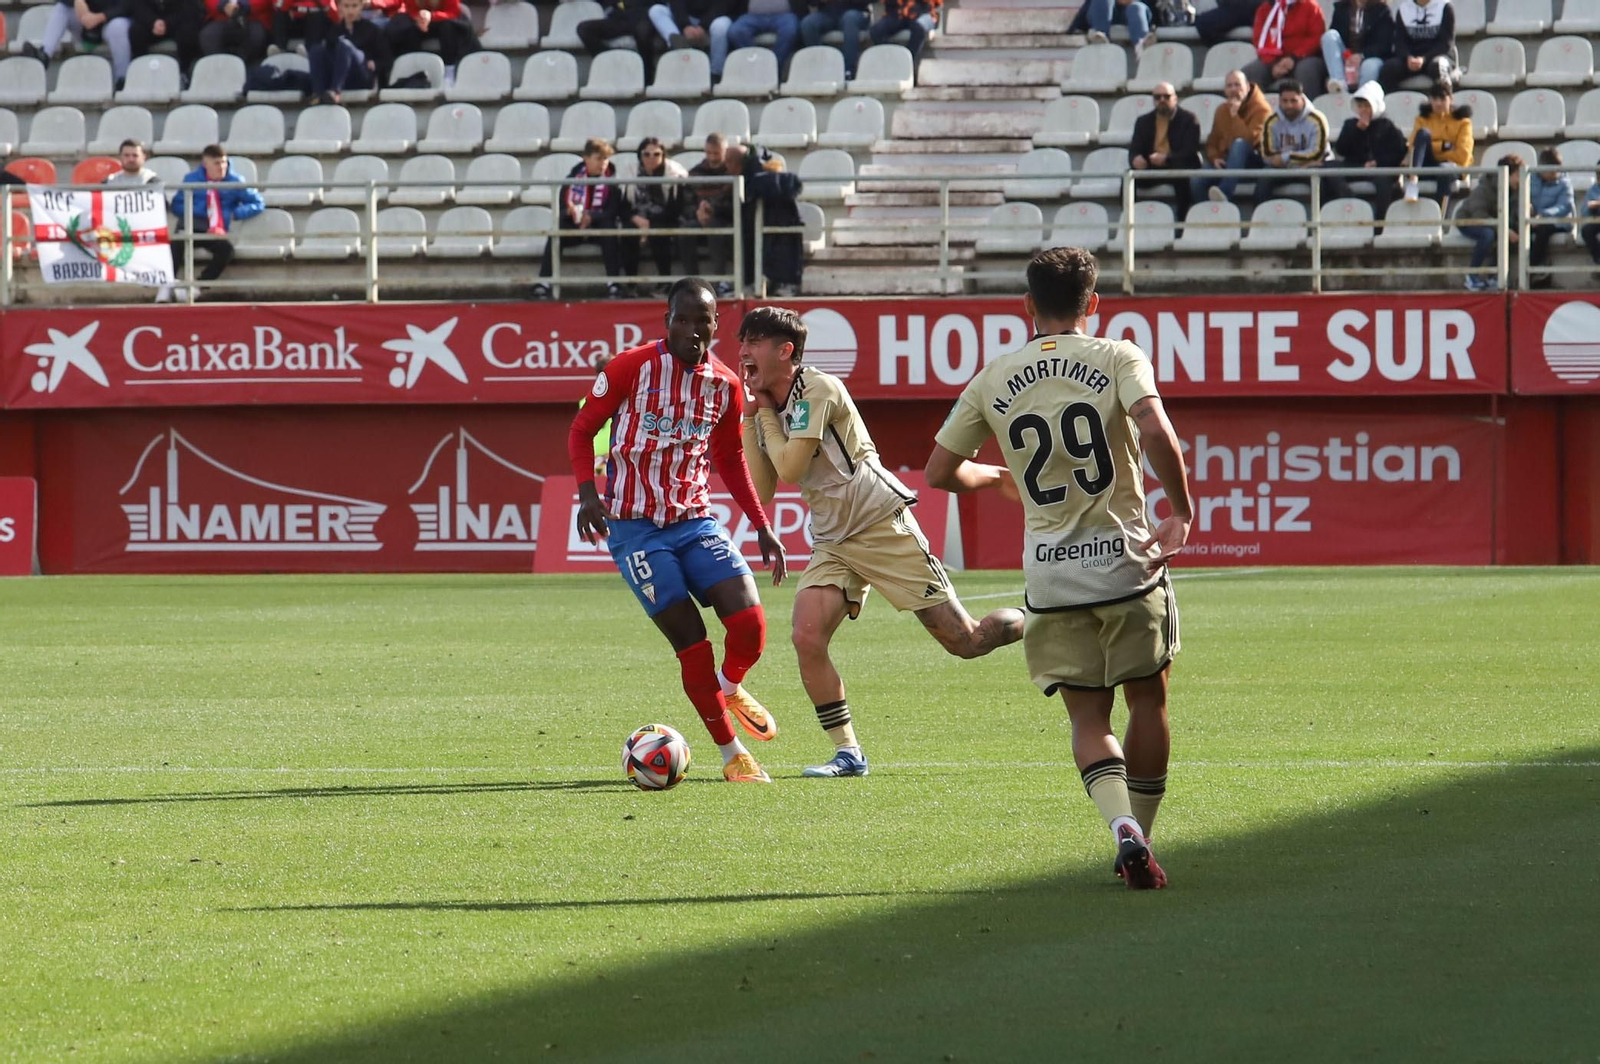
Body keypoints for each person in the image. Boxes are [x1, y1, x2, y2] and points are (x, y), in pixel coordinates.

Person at [925, 246, 1193, 891]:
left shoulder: (995, 377)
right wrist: (1180, 508)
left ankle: (1119, 825)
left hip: (1051, 577)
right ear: (1093, 304)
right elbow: (1155, 429)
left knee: (1087, 721)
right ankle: (1145, 835)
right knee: (1149, 700)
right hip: (1127, 566)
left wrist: (992, 474)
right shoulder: (1117, 355)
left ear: (1027, 308)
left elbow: (938, 472)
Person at [739, 306, 1024, 779]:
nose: (743, 351)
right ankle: (849, 754)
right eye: (741, 341)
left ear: (784, 350)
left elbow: (790, 469)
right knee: (807, 637)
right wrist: (752, 419)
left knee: (967, 642)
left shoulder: (816, 389)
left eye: (753, 342)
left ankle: (1041, 619)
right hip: (833, 537)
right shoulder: (770, 402)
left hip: (878, 523)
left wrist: (764, 414)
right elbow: (764, 488)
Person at [567, 278, 787, 784]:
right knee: (690, 638)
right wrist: (587, 493)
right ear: (667, 320)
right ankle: (733, 754)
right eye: (681, 319)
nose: (691, 329)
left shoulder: (726, 385)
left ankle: (729, 687)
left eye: (701, 320)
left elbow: (730, 459)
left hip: (694, 520)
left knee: (751, 624)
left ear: (716, 325)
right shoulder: (631, 367)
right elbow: (582, 429)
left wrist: (762, 524)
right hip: (635, 528)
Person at [166, 143, 264, 302]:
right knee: (175, 245)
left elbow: (258, 202)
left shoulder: (235, 181)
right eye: (217, 163)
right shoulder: (191, 179)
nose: (221, 167)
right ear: (206, 164)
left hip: (217, 229)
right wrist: (198, 213)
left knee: (226, 252)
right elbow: (177, 205)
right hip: (194, 225)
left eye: (224, 162)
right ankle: (168, 286)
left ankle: (197, 287)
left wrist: (236, 213)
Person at [532, 138, 628, 300]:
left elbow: (612, 211)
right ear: (586, 158)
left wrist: (592, 217)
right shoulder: (571, 180)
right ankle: (544, 282)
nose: (603, 163)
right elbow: (562, 208)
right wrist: (571, 212)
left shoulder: (613, 183)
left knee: (609, 227)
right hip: (575, 227)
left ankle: (614, 284)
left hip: (599, 228)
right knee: (557, 228)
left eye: (605, 159)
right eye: (599, 158)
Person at [724, 143, 804, 295]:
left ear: (734, 163)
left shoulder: (757, 180)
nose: (726, 166)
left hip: (775, 230)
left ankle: (772, 283)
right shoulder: (745, 180)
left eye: (728, 162)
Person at [1324, 80, 1406, 220]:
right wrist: (1357, 130)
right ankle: (1349, 200)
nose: (1363, 110)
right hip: (1355, 167)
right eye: (1360, 106)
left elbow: (1398, 151)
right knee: (1327, 167)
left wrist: (1377, 162)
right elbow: (1341, 149)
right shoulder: (1350, 124)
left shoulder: (1387, 126)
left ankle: (1380, 222)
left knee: (1384, 181)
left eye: (1367, 106)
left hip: (1379, 169)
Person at [1192, 69, 1270, 205]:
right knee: (1197, 179)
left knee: (1239, 144)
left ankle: (1225, 192)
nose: (1234, 89)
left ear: (1247, 86)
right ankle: (1207, 217)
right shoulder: (1222, 109)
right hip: (1226, 161)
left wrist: (1235, 116)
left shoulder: (1262, 109)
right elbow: (1212, 141)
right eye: (1229, 86)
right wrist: (1215, 157)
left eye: (1237, 85)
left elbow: (1250, 140)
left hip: (1253, 160)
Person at [1129, 81, 1202, 219]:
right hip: (1152, 167)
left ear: (1175, 98)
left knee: (1183, 180)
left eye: (1166, 96)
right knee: (1128, 178)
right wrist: (1135, 159)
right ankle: (1128, 221)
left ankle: (1181, 227)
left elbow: (1190, 151)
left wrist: (1167, 158)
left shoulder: (1189, 119)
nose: (1162, 100)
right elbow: (1134, 149)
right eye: (1157, 97)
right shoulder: (1143, 121)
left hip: (1178, 167)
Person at [1250, 79, 1330, 205]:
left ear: (1302, 99)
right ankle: (1261, 222)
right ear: (1279, 101)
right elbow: (1268, 154)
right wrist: (1300, 160)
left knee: (1322, 184)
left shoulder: (1317, 119)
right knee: (1263, 180)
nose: (1289, 105)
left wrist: (1285, 157)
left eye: (1293, 101)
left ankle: (1321, 222)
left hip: (1310, 168)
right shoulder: (1271, 121)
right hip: (1284, 168)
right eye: (1285, 101)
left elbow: (1317, 154)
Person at [624, 136, 687, 289]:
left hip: (665, 216)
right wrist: (636, 218)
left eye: (656, 154)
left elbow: (675, 208)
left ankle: (664, 282)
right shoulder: (630, 173)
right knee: (628, 233)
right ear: (640, 155)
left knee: (658, 232)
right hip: (637, 217)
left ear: (663, 155)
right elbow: (623, 205)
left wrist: (649, 223)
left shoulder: (674, 174)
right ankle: (630, 285)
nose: (651, 158)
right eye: (647, 154)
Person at [24, 0, 135, 84]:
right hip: (85, 20)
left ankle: (122, 78)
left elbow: (131, 5)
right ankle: (45, 54)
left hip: (113, 20)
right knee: (62, 8)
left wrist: (100, 17)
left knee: (118, 27)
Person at [680, 132, 735, 296]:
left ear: (724, 151)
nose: (712, 157)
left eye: (716, 153)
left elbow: (733, 203)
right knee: (684, 232)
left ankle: (719, 281)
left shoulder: (732, 172)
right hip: (698, 217)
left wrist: (712, 210)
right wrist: (698, 212)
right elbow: (687, 202)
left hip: (724, 218)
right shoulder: (695, 173)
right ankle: (692, 282)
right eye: (709, 153)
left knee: (716, 229)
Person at [1455, 153, 1519, 291]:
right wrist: (1504, 229)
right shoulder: (1484, 189)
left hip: (1493, 222)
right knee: (1487, 234)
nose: (1521, 180)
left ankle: (1492, 277)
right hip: (1468, 219)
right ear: (1507, 175)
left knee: (1507, 235)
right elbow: (1479, 215)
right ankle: (1471, 276)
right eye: (1518, 175)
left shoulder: (1516, 190)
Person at [308, 0, 391, 104]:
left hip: (362, 75)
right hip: (340, 75)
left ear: (361, 6)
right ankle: (317, 93)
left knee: (345, 45)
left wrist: (375, 64)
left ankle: (335, 92)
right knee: (316, 49)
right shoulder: (334, 30)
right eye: (346, 6)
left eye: (354, 6)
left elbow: (387, 60)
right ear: (340, 7)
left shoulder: (373, 30)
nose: (350, 11)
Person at [1402, 81, 1471, 203]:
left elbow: (1462, 156)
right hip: (1428, 165)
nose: (1438, 103)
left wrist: (1435, 150)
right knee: (1423, 133)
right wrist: (1444, 146)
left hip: (1453, 167)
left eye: (1442, 98)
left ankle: (1441, 218)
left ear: (1451, 99)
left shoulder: (1463, 122)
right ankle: (1413, 180)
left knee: (1443, 169)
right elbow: (1414, 147)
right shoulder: (1422, 120)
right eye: (1434, 99)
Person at [1242, 0, 1327, 91]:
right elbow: (1259, 39)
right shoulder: (1264, 9)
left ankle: (1307, 103)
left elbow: (1317, 37)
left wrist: (1294, 57)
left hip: (1305, 57)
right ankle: (1256, 104)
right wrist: (1273, 64)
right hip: (1274, 60)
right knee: (1251, 72)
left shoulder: (1310, 6)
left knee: (1306, 69)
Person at [1319, 0, 1392, 94]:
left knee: (1370, 66)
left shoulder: (1382, 11)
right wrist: (1348, 57)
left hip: (1370, 57)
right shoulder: (1341, 7)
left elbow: (1384, 44)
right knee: (1329, 36)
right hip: (1346, 56)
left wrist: (1361, 56)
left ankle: (1362, 98)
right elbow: (1336, 35)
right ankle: (1339, 85)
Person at [1528, 148, 1575, 290]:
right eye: (1551, 171)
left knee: (1543, 229)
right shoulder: (1530, 179)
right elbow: (1523, 197)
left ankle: (1533, 269)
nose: (1555, 175)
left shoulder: (1564, 183)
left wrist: (1543, 215)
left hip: (1559, 221)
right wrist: (1527, 207)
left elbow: (1564, 207)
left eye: (1557, 171)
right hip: (1534, 218)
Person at [1381, 0, 1454, 92]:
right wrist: (1407, 57)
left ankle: (1442, 102)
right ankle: (1393, 103)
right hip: (1411, 59)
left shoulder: (1445, 7)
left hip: (1437, 56)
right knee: (1389, 68)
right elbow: (1399, 41)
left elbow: (1445, 44)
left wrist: (1424, 59)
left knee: (1438, 66)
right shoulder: (1404, 9)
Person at [385, 0, 479, 71]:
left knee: (448, 27)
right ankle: (415, 67)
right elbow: (410, 10)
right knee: (404, 27)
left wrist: (432, 16)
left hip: (442, 21)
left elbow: (453, 12)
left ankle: (449, 69)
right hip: (420, 23)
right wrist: (420, 17)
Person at [649, 0, 733, 79]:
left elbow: (723, 4)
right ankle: (680, 44)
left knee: (720, 27)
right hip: (688, 19)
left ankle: (715, 74)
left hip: (716, 18)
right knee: (656, 10)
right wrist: (685, 25)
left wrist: (703, 26)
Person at [799, 0, 871, 80]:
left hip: (855, 12)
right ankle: (821, 70)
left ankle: (848, 71)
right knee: (808, 24)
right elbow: (811, 3)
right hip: (827, 13)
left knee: (850, 19)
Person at [727, 0, 805, 72]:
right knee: (736, 31)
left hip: (783, 16)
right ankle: (754, 62)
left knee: (791, 29)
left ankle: (774, 66)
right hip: (753, 16)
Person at [577, 0, 657, 68]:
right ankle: (610, 62)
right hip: (619, 19)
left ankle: (646, 75)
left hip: (644, 17)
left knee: (643, 31)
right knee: (584, 29)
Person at [128, 0, 203, 71]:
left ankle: (185, 71)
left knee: (188, 32)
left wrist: (167, 24)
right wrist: (153, 22)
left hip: (178, 21)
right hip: (152, 22)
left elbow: (189, 8)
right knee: (136, 31)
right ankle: (142, 69)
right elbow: (137, 7)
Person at [866, 0, 938, 73]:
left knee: (918, 29)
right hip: (896, 14)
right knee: (875, 31)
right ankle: (896, 58)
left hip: (923, 13)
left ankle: (909, 66)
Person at [198, 0, 271, 64]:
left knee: (256, 36)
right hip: (221, 18)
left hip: (253, 18)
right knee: (209, 36)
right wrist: (223, 4)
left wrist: (243, 5)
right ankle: (219, 69)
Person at [1084, 0, 1156, 62]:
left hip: (1134, 11)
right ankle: (1100, 38)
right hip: (1107, 15)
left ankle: (1142, 46)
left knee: (1136, 7)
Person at [1580, 179, 1600, 272]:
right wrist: (1593, 207)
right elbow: (1584, 211)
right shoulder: (1593, 189)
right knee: (1586, 230)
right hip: (1597, 218)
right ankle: (1598, 260)